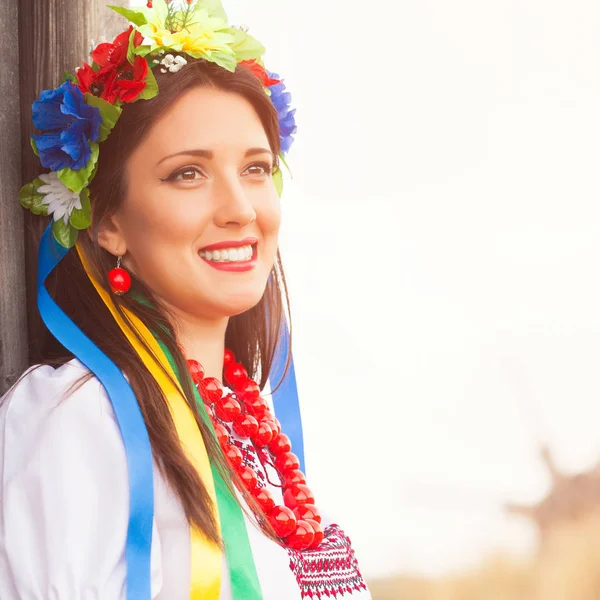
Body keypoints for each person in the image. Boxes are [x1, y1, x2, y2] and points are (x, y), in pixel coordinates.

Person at [0, 1, 372, 599]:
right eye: (187, 174)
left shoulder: (250, 429)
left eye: (256, 168)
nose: (240, 209)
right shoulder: (80, 420)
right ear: (108, 221)